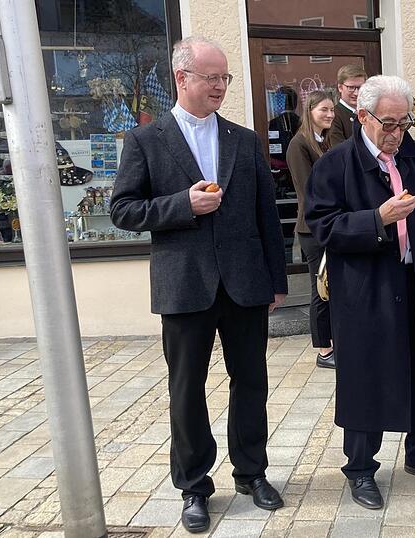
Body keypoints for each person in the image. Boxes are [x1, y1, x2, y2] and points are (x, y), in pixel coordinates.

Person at [110, 37, 288, 533]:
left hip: (245, 283)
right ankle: (193, 486)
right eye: (211, 77)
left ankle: (252, 473)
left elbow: (266, 216)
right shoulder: (146, 140)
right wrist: (181, 205)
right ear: (181, 77)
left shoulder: (242, 138)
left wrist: (277, 280)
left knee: (252, 383)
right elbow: (122, 210)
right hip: (185, 285)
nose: (219, 86)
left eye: (225, 77)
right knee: (187, 390)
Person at [305, 75, 415, 511]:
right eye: (388, 124)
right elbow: (323, 227)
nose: (397, 133)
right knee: (366, 376)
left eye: (404, 123)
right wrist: (377, 218)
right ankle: (360, 468)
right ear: (362, 116)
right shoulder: (335, 164)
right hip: (366, 290)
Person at [288, 90, 337, 368]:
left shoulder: (324, 141)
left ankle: (334, 343)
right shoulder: (300, 144)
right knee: (320, 289)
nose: (329, 115)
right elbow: (308, 189)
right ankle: (324, 351)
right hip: (313, 228)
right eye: (323, 110)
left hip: (329, 224)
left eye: (331, 110)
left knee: (332, 288)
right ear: (310, 112)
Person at [328, 64, 367, 147]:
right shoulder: (334, 115)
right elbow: (339, 150)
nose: (356, 93)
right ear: (340, 87)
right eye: (351, 87)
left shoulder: (370, 113)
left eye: (360, 87)